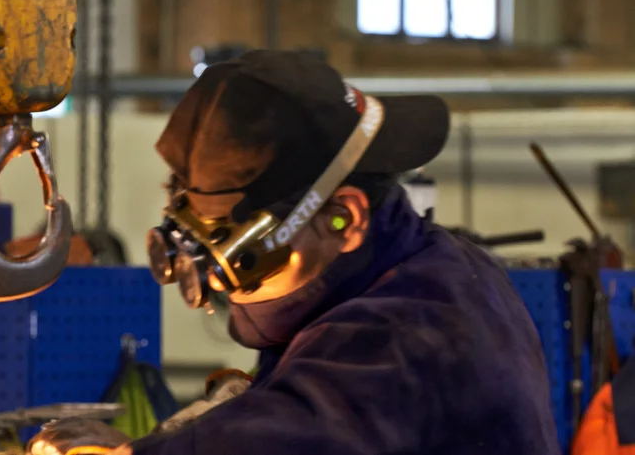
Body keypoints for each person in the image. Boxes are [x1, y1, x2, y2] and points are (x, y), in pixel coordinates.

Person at [124, 50, 557, 454]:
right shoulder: (395, 268)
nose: (222, 286)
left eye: (246, 263)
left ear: (344, 219)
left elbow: (299, 433)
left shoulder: (410, 329)